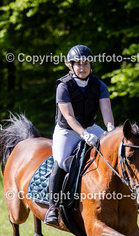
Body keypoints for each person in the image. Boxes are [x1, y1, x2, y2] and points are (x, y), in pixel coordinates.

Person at [45, 44, 115, 225]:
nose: (82, 67)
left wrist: (110, 129)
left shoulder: (99, 85)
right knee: (61, 160)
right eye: (78, 64)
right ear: (71, 66)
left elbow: (106, 110)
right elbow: (68, 116)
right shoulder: (63, 86)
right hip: (67, 131)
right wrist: (83, 134)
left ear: (91, 65)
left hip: (90, 127)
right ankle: (53, 206)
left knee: (114, 151)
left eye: (86, 64)